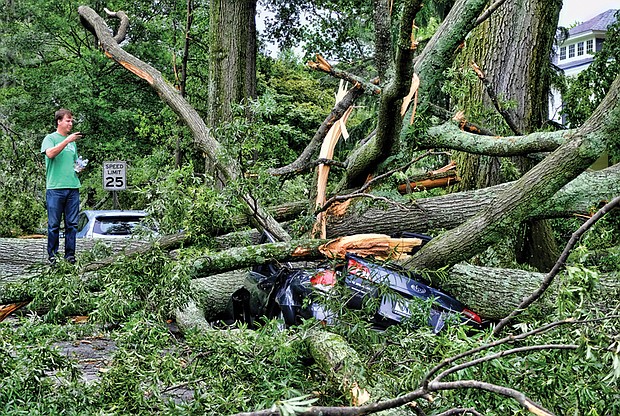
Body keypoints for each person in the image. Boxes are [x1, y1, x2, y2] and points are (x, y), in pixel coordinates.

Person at [41, 109, 84, 265]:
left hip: (72, 187)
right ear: (59, 121)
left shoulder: (72, 144)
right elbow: (50, 154)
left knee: (72, 225)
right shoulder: (50, 138)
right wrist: (67, 141)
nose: (71, 124)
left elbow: (74, 164)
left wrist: (79, 166)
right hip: (55, 189)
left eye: (72, 121)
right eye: (68, 120)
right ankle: (53, 257)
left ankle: (70, 257)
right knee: (53, 225)